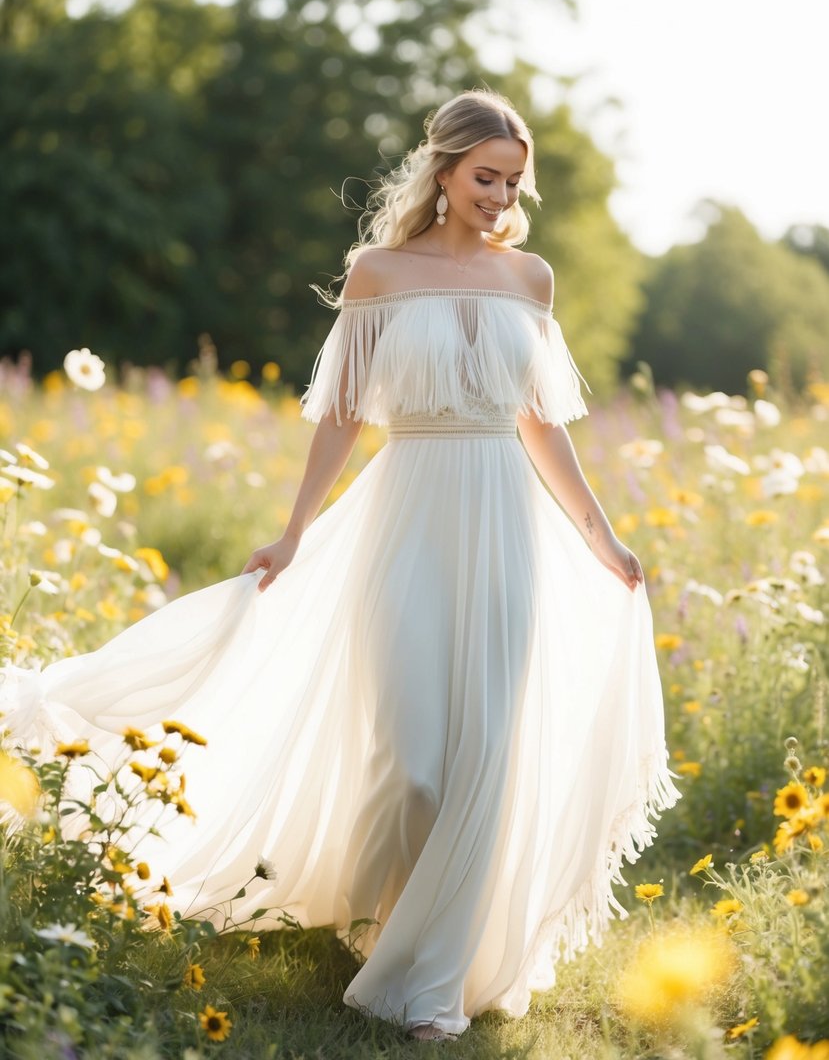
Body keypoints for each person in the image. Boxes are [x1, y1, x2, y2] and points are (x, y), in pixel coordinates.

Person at [1, 89, 679, 1043]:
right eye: (484, 177)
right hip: (404, 517)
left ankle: (429, 980)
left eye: (512, 182)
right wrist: (291, 530)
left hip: (507, 526)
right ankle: (378, 917)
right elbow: (343, 414)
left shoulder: (530, 279)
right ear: (441, 171)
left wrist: (600, 538)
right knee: (411, 766)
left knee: (485, 749)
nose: (498, 196)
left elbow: (541, 425)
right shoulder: (377, 272)